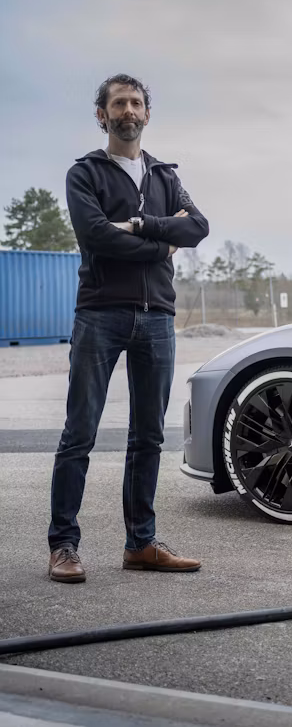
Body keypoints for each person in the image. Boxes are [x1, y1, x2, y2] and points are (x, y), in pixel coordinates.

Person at [48, 74, 209, 582]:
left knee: (149, 437)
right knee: (80, 433)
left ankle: (140, 543)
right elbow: (95, 236)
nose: (128, 110)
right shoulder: (85, 174)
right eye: (118, 103)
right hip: (101, 312)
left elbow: (198, 227)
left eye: (136, 102)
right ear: (102, 115)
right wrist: (163, 243)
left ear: (146, 113)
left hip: (158, 316)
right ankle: (64, 546)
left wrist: (140, 226)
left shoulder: (164, 175)